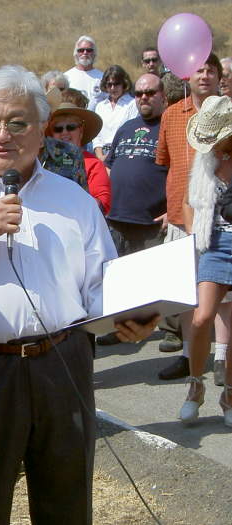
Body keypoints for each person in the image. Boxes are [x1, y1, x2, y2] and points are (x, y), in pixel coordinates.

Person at [0, 65, 157, 525]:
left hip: (63, 365)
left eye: (17, 123)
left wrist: (131, 316)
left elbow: (99, 287)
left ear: (41, 130)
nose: (2, 135)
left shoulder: (74, 200)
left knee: (67, 499)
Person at [156, 53, 225, 377]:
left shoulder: (228, 114)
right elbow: (165, 163)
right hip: (181, 214)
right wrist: (171, 209)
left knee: (223, 298)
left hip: (222, 221)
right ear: (187, 76)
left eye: (212, 70)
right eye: (199, 69)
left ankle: (222, 357)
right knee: (185, 293)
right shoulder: (171, 115)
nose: (205, 75)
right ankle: (188, 356)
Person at [96, 74, 168, 346]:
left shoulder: (169, 126)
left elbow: (182, 172)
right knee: (121, 281)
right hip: (118, 216)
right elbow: (110, 164)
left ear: (163, 95)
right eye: (139, 93)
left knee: (158, 281)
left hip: (151, 218)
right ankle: (121, 330)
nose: (144, 98)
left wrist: (174, 207)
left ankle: (172, 333)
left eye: (149, 92)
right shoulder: (126, 127)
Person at [179, 95, 232, 426]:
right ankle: (195, 385)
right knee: (201, 318)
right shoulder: (203, 161)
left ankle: (229, 394)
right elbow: (187, 202)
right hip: (212, 242)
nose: (210, 145)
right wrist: (191, 232)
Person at [44, 87, 110, 214]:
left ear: (81, 131)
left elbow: (102, 206)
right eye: (58, 128)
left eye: (71, 127)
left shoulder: (93, 164)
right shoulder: (42, 161)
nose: (65, 133)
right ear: (51, 133)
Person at [93, 65, 138, 162]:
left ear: (124, 84)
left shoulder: (132, 104)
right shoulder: (100, 106)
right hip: (101, 156)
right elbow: (97, 136)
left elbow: (129, 133)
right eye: (109, 84)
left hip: (122, 155)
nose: (113, 88)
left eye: (116, 84)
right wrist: (100, 157)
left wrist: (110, 156)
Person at [64, 35, 105, 110]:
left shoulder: (103, 78)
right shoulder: (66, 77)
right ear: (76, 54)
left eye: (89, 50)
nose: (85, 53)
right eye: (81, 50)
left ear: (94, 54)